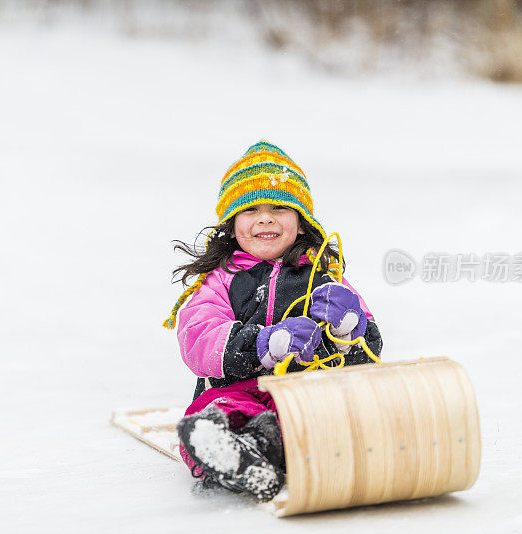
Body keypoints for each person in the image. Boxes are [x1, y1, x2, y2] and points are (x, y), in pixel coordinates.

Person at [163, 140, 383, 501]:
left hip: (308, 394)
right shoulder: (220, 279)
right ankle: (228, 450)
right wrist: (263, 345)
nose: (266, 217)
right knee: (208, 415)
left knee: (316, 416)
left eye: (280, 207)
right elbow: (199, 337)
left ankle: (262, 448)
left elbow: (368, 355)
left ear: (301, 223)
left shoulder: (324, 276)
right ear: (232, 225)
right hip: (236, 390)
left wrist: (347, 330)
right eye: (251, 209)